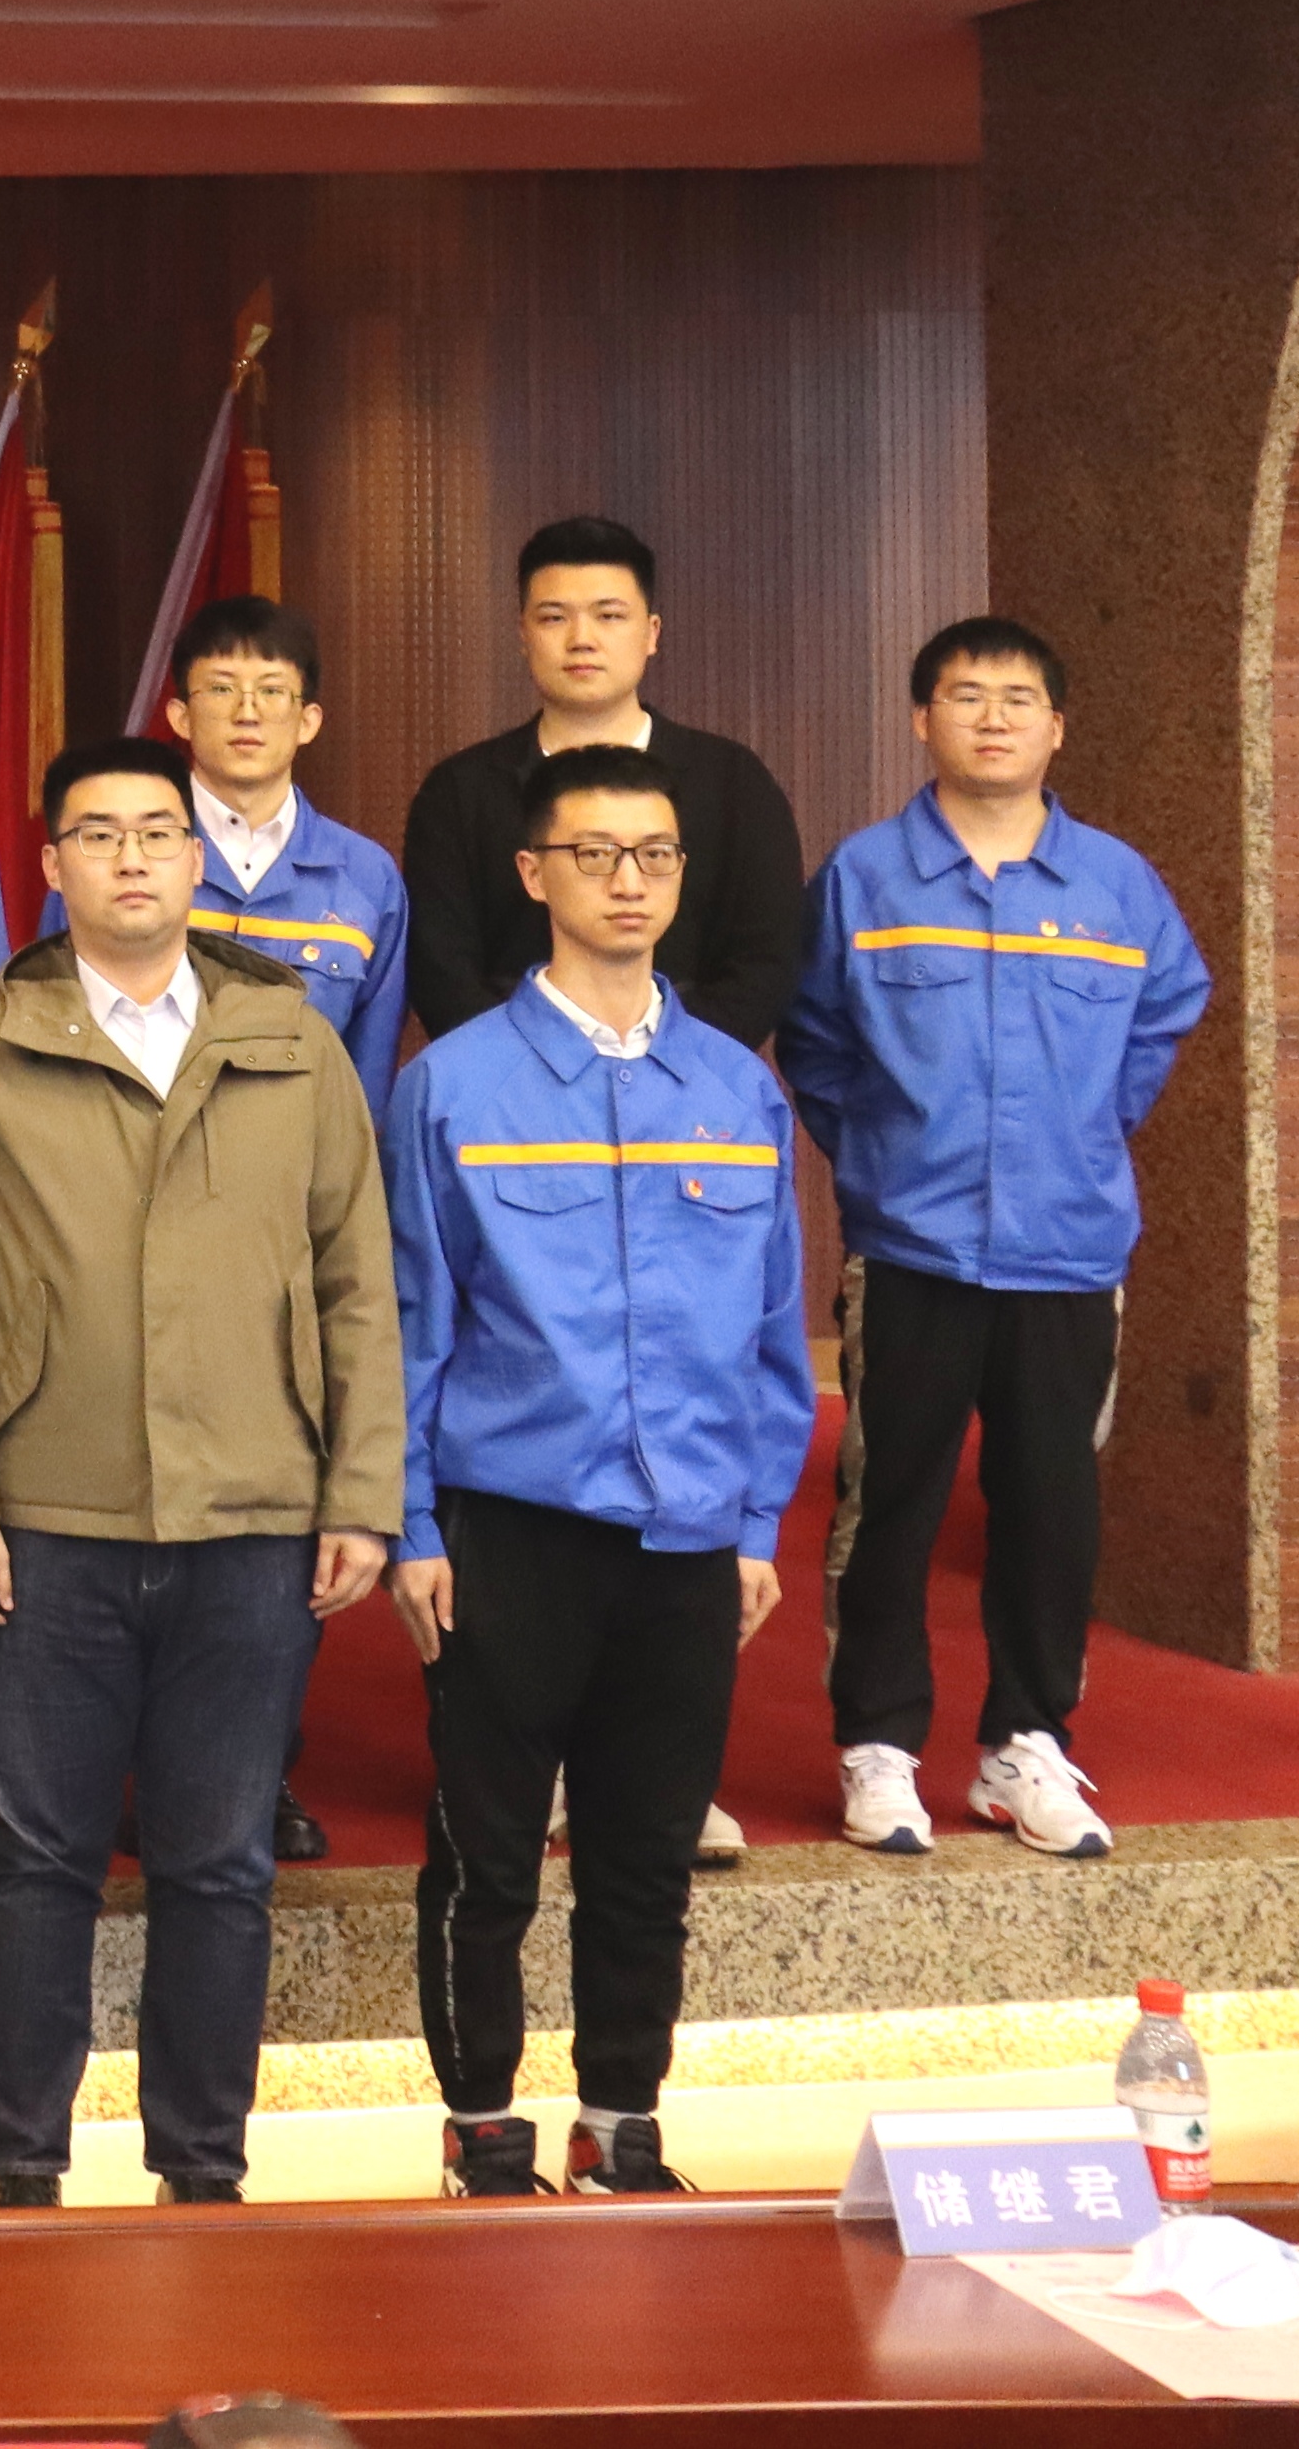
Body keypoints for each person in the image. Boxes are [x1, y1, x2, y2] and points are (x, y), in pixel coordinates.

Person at [0, 742, 402, 2209]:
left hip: (254, 1510)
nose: (130, 856)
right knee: (37, 1857)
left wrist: (359, 1491)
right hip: (45, 1515)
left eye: (156, 832)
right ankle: (23, 2173)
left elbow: (356, 1278)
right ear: (50, 863)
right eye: (97, 833)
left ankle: (202, 2168)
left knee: (222, 1858)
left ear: (196, 860)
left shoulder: (289, 1038)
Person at [385, 743, 819, 2197]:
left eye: (655, 855)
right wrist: (409, 1523)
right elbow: (410, 1321)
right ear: (534, 872)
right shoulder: (453, 1083)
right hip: (509, 1528)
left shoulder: (736, 1088)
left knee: (644, 1854)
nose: (628, 880)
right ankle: (482, 2130)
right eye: (594, 853)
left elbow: (775, 1328)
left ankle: (623, 2123)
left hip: (687, 1531)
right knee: (488, 1859)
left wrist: (754, 1521)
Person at [784, 617, 1206, 1859]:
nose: (994, 716)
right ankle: (877, 1743)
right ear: (924, 719)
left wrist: (1089, 1127)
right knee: (887, 1501)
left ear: (1056, 726)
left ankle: (1027, 1740)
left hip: (1069, 1248)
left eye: (1019, 698)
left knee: (1051, 1506)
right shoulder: (865, 876)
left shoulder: (1117, 883)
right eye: (966, 695)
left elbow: (1168, 1005)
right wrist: (878, 1150)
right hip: (911, 1244)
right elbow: (813, 1037)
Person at [399, 517, 809, 1050]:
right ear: (523, 634)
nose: (582, 640)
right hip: (508, 1086)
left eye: (609, 616)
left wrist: (658, 1065)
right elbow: (442, 974)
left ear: (652, 633)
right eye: (554, 618)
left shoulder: (735, 783)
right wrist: (540, 1070)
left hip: (690, 1080)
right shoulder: (459, 792)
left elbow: (765, 966)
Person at [140, 595, 415, 1101]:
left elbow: (366, 1079)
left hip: (303, 1151)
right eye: (221, 689)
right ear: (180, 716)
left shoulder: (365, 876)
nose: (247, 713)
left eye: (272, 691)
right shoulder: (122, 857)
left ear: (308, 721)